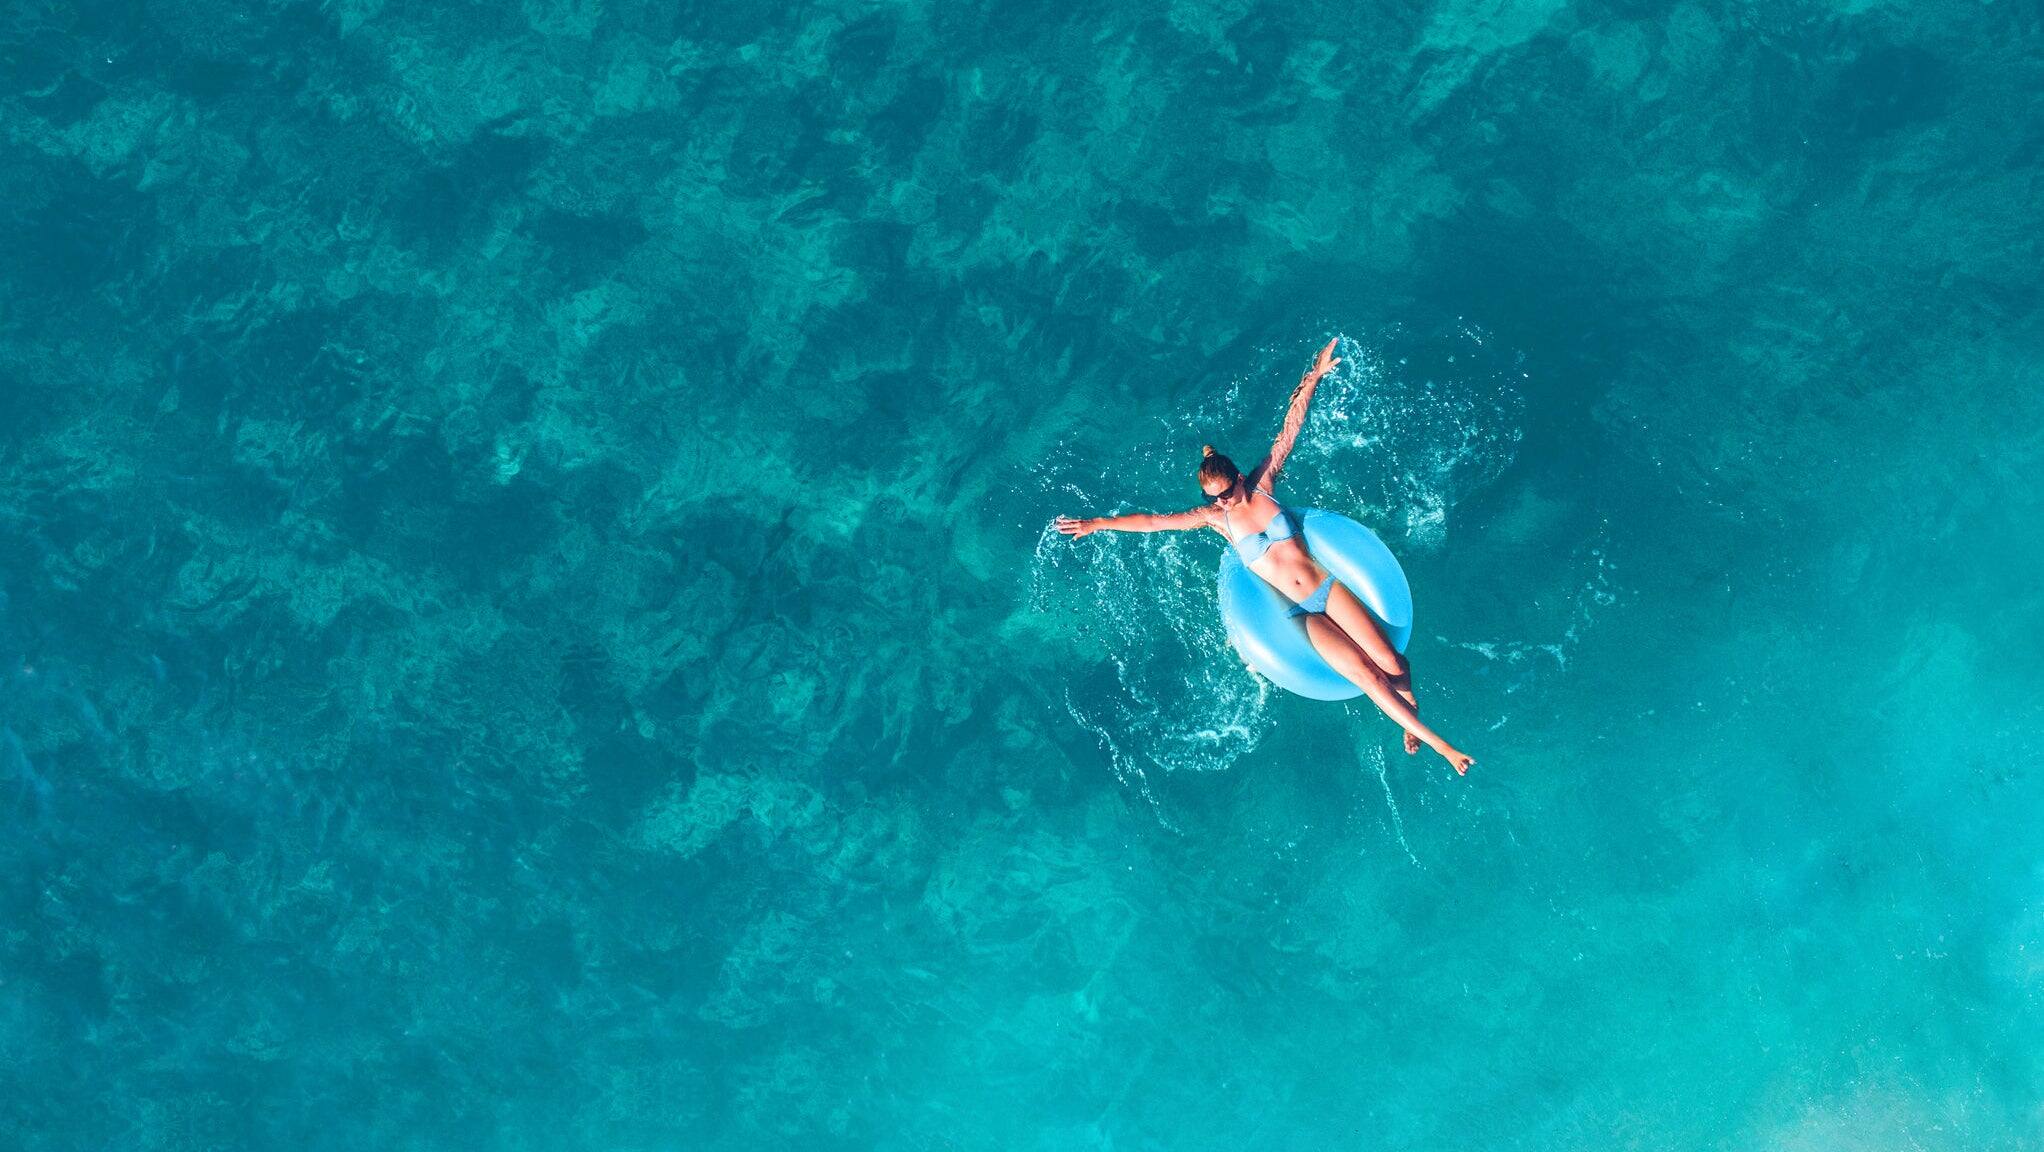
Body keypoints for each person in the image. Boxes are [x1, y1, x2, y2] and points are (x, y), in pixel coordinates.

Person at [1056, 339, 1474, 774]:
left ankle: (1412, 713)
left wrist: (1313, 376)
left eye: (1226, 492)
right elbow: (1152, 522)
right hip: (1300, 614)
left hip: (1325, 589)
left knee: (1393, 663)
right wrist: (1097, 523)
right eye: (1212, 498)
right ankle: (1443, 746)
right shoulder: (1216, 520)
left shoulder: (1261, 485)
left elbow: (1290, 428)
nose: (1222, 502)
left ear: (1239, 478)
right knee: (1367, 677)